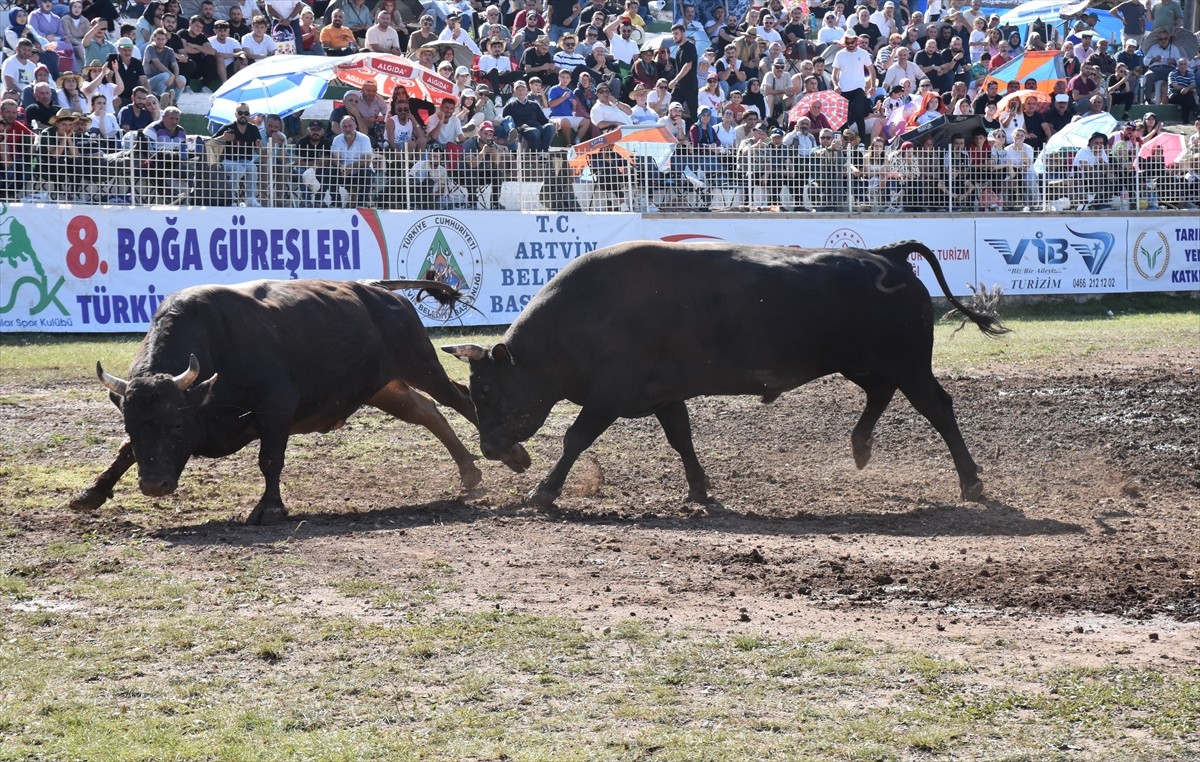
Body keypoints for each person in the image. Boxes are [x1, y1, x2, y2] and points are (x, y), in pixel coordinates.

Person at [213, 101, 262, 205]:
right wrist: (223, 138)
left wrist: (259, 146)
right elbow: (211, 143)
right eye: (240, 113)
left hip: (245, 160)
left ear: (249, 115)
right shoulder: (228, 128)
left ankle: (250, 198)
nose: (243, 115)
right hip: (227, 160)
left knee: (252, 167)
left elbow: (260, 151)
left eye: (246, 113)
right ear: (236, 114)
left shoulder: (253, 129)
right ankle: (230, 197)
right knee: (239, 168)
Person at [834, 31, 875, 139]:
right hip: (843, 89)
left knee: (858, 114)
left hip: (858, 88)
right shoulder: (840, 54)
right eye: (848, 42)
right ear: (844, 42)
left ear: (856, 41)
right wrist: (835, 85)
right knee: (843, 117)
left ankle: (861, 141)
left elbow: (871, 70)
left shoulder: (863, 53)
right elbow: (834, 74)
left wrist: (873, 85)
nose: (850, 45)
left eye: (852, 42)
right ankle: (844, 141)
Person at [330, 113, 374, 206]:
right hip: (343, 170)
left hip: (359, 170)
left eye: (350, 126)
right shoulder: (337, 139)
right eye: (344, 127)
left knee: (367, 172)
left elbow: (367, 160)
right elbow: (335, 159)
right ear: (341, 128)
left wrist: (350, 167)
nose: (347, 129)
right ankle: (336, 202)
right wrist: (341, 167)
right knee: (329, 173)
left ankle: (362, 203)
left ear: (355, 126)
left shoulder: (364, 139)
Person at [503, 80, 556, 152]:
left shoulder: (534, 104)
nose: (521, 91)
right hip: (523, 129)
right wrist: (519, 127)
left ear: (526, 90)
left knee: (550, 126)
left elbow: (543, 120)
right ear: (514, 91)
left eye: (523, 89)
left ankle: (543, 152)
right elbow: (507, 122)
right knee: (535, 131)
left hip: (537, 126)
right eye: (518, 90)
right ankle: (534, 154)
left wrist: (553, 122)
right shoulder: (509, 106)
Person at [1, 98, 35, 199]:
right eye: (8, 112)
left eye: (14, 112)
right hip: (3, 161)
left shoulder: (17, 125)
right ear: (2, 112)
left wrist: (33, 147)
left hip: (12, 160)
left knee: (27, 169)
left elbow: (35, 136)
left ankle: (10, 194)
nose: (11, 115)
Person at [143, 28, 185, 108]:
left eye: (163, 39)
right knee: (165, 75)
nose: (161, 41)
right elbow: (157, 63)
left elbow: (175, 66)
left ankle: (173, 102)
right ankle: (160, 99)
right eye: (158, 39)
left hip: (164, 81)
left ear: (166, 40)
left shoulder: (169, 50)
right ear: (154, 38)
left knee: (182, 79)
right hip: (148, 81)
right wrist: (171, 75)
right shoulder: (150, 48)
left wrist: (176, 77)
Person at [547, 68, 591, 143]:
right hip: (556, 117)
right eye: (563, 77)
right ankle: (569, 143)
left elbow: (573, 110)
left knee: (586, 122)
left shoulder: (570, 91)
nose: (565, 79)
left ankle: (577, 141)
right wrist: (563, 97)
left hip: (569, 116)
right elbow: (551, 104)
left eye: (567, 78)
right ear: (559, 78)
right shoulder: (553, 89)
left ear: (570, 80)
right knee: (565, 121)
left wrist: (574, 105)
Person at [668, 22, 698, 119]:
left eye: (676, 33)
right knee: (671, 110)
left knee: (694, 114)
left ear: (683, 33)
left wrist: (675, 80)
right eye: (673, 34)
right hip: (679, 87)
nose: (674, 36)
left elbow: (688, 65)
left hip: (690, 86)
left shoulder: (690, 47)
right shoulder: (678, 50)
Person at [1167, 58, 1197, 123]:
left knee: (1186, 96)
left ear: (1187, 65)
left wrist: (1187, 89)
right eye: (1180, 64)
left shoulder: (1190, 73)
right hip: (1174, 96)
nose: (1182, 66)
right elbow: (1175, 86)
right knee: (1187, 95)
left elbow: (1193, 84)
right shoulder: (1172, 74)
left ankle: (1185, 120)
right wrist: (1187, 89)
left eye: (1184, 64)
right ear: (1177, 65)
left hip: (1186, 95)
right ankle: (1194, 109)